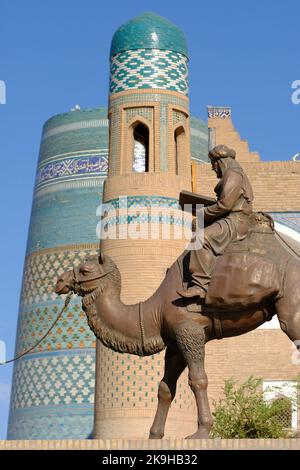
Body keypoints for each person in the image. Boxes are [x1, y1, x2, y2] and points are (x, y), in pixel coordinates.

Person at [178, 144, 254, 299]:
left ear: (221, 161)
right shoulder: (233, 175)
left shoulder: (233, 175)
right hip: (231, 218)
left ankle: (200, 285)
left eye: (213, 163)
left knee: (201, 238)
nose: (213, 168)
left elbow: (225, 205)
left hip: (235, 221)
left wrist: (202, 213)